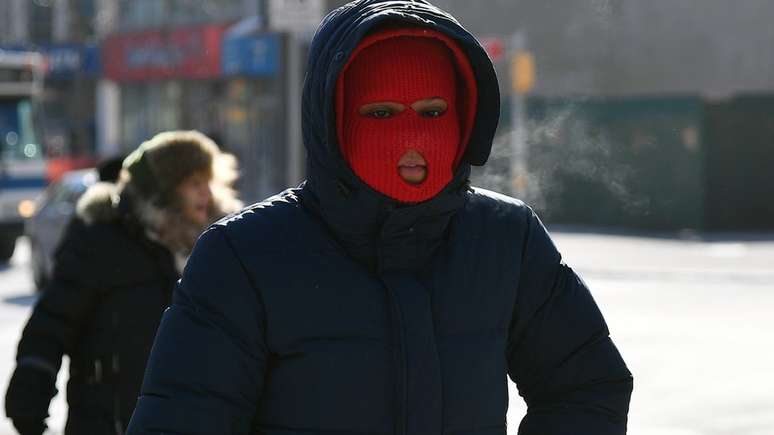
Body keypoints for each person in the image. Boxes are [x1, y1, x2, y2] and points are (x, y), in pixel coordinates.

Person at [128, 1, 633, 434]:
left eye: (433, 112)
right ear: (335, 121)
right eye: (382, 114)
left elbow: (585, 386)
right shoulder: (244, 255)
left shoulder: (506, 237)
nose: (411, 139)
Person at [5, 131, 241, 435]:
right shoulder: (100, 240)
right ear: (163, 190)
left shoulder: (216, 246)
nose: (205, 193)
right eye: (194, 183)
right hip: (109, 421)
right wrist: (29, 395)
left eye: (209, 182)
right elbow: (52, 321)